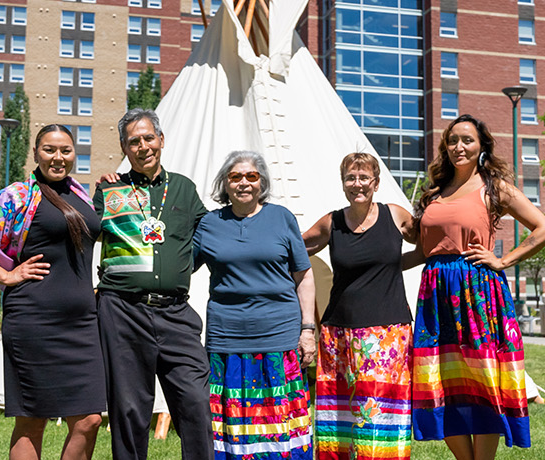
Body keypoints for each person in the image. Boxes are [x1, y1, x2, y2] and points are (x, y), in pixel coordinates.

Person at [0, 125, 105, 460]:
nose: (58, 157)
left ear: (75, 154)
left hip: (82, 325)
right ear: (36, 153)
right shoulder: (20, 194)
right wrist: (5, 274)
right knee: (32, 421)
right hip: (34, 320)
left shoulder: (80, 195)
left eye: (65, 150)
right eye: (49, 149)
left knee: (89, 419)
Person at [410, 114, 545, 459]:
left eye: (467, 140)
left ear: (481, 146)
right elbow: (424, 250)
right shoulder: (434, 192)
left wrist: (504, 261)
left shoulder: (495, 188)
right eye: (452, 140)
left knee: (482, 380)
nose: (459, 147)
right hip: (435, 294)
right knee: (438, 381)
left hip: (477, 291)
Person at [93, 109, 212, 460]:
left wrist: (181, 266)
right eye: (134, 141)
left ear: (161, 140)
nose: (143, 146)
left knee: (195, 401)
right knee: (130, 409)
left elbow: (207, 235)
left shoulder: (184, 188)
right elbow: (84, 233)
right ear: (123, 148)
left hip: (176, 312)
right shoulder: (112, 190)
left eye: (148, 138)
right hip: (123, 312)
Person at [193, 150, 316, 460]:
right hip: (227, 339)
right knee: (234, 426)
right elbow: (178, 267)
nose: (243, 183)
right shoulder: (209, 223)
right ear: (225, 183)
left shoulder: (281, 217)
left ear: (262, 182)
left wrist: (307, 329)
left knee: (278, 422)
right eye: (235, 177)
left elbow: (303, 276)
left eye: (251, 176)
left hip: (278, 337)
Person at [300, 153, 417, 460]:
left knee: (380, 411)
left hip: (388, 333)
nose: (357, 184)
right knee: (339, 417)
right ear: (343, 185)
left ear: (376, 183)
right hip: (339, 334)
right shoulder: (332, 222)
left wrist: (392, 266)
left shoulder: (395, 215)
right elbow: (295, 248)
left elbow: (429, 242)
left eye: (364, 177)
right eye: (350, 178)